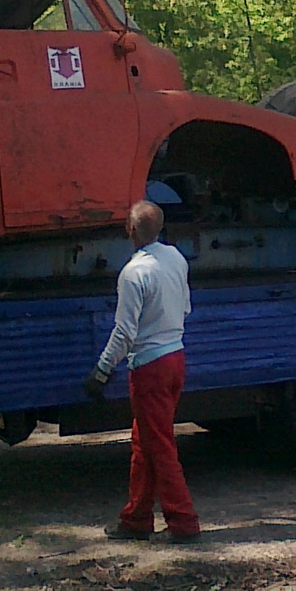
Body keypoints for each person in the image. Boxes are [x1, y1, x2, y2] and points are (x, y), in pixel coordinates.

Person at [84, 200, 201, 543]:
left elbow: (124, 333)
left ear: (129, 230)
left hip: (149, 367)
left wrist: (102, 371)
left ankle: (184, 522)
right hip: (175, 357)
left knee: (159, 445)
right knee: (145, 442)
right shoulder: (176, 258)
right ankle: (136, 518)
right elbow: (186, 307)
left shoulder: (133, 274)